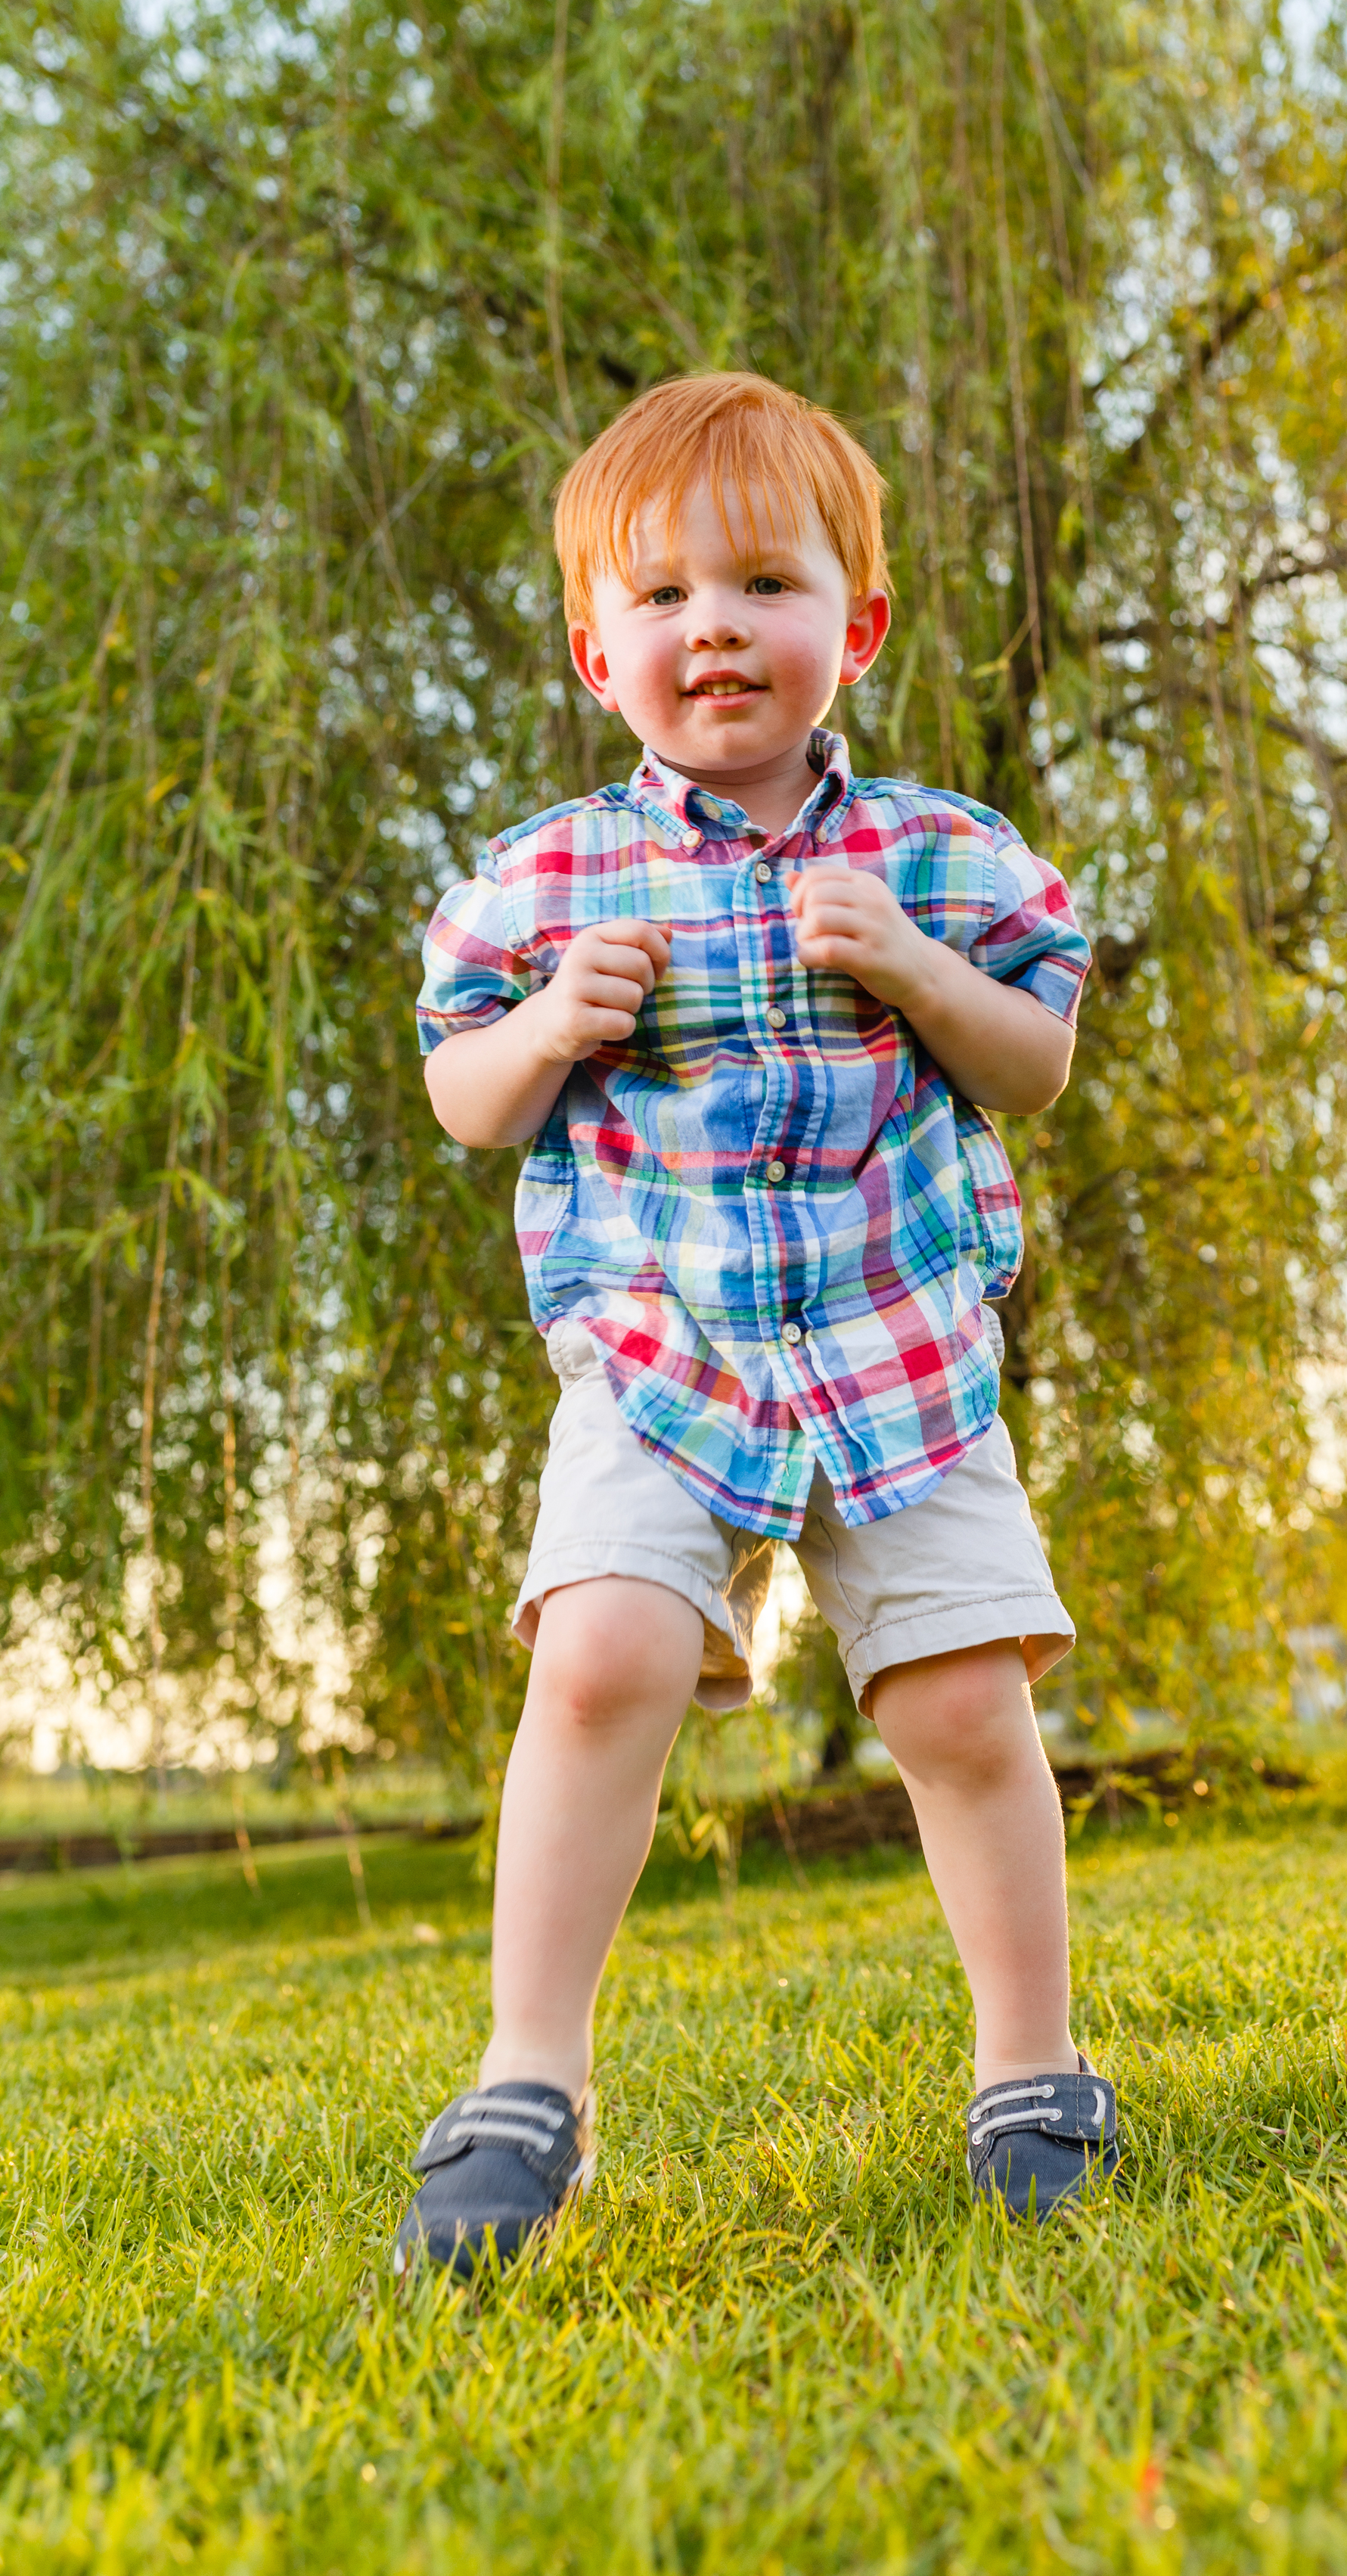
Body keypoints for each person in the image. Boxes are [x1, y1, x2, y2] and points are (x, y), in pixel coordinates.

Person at [395, 372, 1122, 2276]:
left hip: (900, 1354)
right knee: (603, 1659)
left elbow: (1034, 1062)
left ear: (851, 626)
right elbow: (463, 1096)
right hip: (657, 1353)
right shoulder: (546, 877)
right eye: (657, 597)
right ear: (593, 649)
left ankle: (1030, 2067)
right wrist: (549, 1026)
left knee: (961, 1703)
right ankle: (524, 2077)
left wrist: (916, 971)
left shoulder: (946, 858)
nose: (709, 624)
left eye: (762, 583)